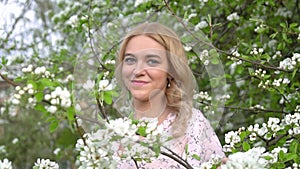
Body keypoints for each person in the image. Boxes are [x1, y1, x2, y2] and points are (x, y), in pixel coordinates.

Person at [114, 22, 224, 168]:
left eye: (152, 61)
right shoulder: (113, 137)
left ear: (171, 70)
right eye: (130, 60)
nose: (138, 70)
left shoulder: (192, 125)